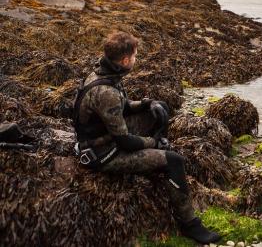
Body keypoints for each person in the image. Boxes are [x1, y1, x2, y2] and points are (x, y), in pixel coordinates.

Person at [72, 31, 220, 244]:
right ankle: (190, 225)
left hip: (106, 137)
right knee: (174, 161)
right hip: (103, 155)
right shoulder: (106, 91)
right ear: (125, 60)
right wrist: (154, 141)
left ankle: (159, 149)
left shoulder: (104, 73)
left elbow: (120, 108)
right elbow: (125, 141)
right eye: (135, 55)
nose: (136, 59)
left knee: (159, 109)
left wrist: (145, 104)